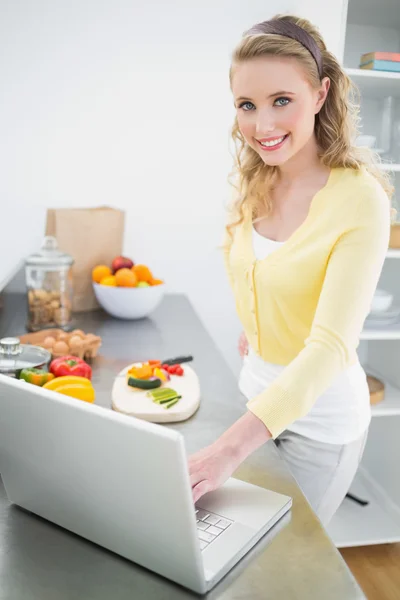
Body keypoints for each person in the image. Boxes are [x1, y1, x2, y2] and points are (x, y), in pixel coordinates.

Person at [188, 14, 395, 526]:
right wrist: (262, 325)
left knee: (280, 570)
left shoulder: (360, 199)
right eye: (247, 105)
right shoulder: (254, 183)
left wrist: (225, 451)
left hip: (320, 426)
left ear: (322, 94)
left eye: (283, 100)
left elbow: (329, 348)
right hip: (256, 397)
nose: (263, 125)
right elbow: (260, 275)